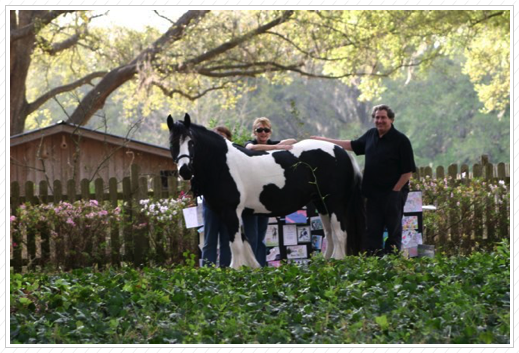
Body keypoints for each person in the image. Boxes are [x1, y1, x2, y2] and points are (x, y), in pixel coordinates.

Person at [311, 104, 416, 256]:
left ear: (391, 119)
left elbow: (408, 171)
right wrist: (325, 141)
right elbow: (352, 145)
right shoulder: (371, 135)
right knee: (372, 231)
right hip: (372, 195)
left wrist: (396, 190)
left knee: (393, 232)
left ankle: (393, 265)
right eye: (377, 117)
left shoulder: (401, 141)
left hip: (392, 194)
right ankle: (373, 265)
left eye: (383, 118)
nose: (379, 121)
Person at [243, 117, 297, 266]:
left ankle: (261, 267)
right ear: (254, 132)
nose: (263, 133)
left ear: (270, 132)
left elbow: (293, 141)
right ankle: (250, 267)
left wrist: (278, 145)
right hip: (250, 198)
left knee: (261, 237)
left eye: (266, 130)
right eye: (260, 130)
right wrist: (275, 148)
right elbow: (250, 149)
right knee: (251, 237)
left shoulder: (272, 143)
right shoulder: (251, 143)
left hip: (265, 198)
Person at [201, 126, 233, 267]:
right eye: (216, 135)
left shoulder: (234, 156)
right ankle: (208, 273)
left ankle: (225, 272)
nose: (219, 138)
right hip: (210, 205)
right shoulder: (204, 156)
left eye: (222, 135)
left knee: (227, 240)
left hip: (229, 205)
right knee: (209, 241)